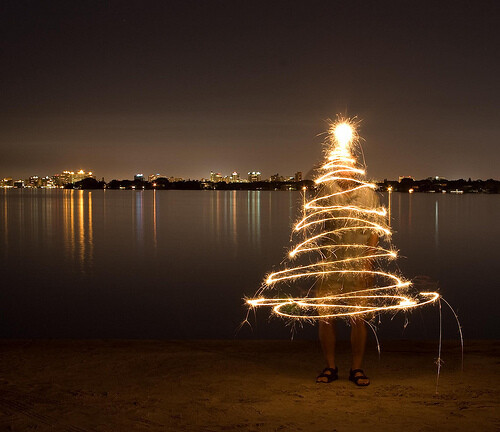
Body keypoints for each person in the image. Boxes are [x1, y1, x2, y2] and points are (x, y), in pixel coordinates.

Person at [314, 171, 381, 386]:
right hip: (332, 264)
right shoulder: (327, 190)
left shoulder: (369, 194)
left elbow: (375, 230)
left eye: (348, 165)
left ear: (355, 169)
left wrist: (368, 262)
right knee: (325, 315)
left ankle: (357, 368)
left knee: (358, 317)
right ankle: (330, 367)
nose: (344, 169)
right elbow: (319, 223)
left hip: (358, 263)